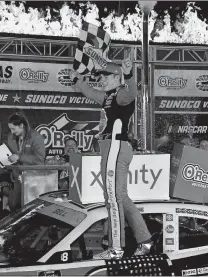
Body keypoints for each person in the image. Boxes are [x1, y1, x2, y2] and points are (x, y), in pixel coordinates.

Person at [74, 54, 153, 260]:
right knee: (118, 198)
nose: (102, 79)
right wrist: (78, 78)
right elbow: (88, 91)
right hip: (110, 147)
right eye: (102, 76)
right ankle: (145, 241)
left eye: (107, 75)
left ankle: (116, 248)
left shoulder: (120, 95)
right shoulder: (108, 96)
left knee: (114, 198)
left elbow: (133, 91)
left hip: (116, 147)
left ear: (117, 77)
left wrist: (128, 73)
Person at [7, 111, 46, 211]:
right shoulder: (11, 137)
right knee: (14, 206)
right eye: (10, 129)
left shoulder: (36, 137)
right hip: (18, 178)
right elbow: (13, 156)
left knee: (30, 209)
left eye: (13, 129)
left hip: (33, 179)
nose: (11, 132)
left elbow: (40, 160)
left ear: (21, 125)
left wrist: (19, 157)